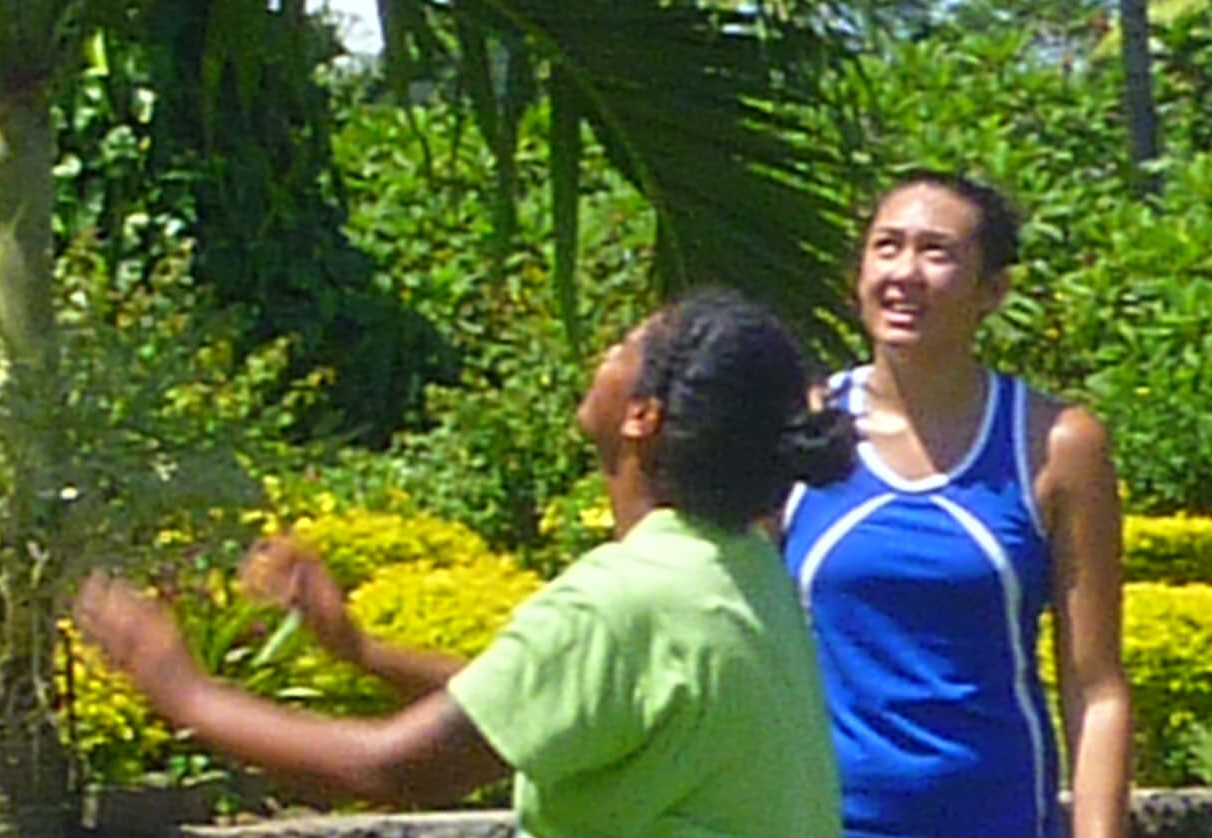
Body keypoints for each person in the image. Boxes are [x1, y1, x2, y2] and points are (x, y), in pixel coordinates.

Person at [75, 288, 857, 838]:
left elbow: (390, 771)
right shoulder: (737, 567)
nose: (603, 351)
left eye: (626, 347)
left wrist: (181, 689)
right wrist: (360, 653)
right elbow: (533, 702)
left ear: (643, 417)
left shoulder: (625, 600)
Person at [781, 172, 1129, 838]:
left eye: (936, 253)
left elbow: (1096, 685)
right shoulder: (800, 428)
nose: (904, 273)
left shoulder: (1055, 445)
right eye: (886, 247)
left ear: (993, 291)